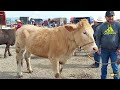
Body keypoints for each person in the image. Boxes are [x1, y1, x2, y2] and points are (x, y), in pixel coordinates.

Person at [96, 11, 120, 79]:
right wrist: (98, 47)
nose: (111, 18)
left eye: (112, 16)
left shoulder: (118, 25)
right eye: (109, 16)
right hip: (104, 51)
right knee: (104, 67)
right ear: (105, 17)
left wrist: (119, 48)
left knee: (115, 67)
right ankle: (103, 78)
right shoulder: (101, 26)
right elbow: (98, 38)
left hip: (115, 51)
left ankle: (116, 78)